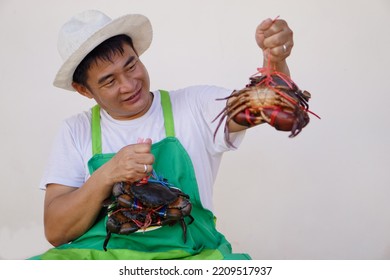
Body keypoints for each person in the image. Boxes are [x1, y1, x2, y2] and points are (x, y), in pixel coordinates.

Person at [30, 9, 294, 260]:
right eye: (109, 81)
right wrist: (107, 174)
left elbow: (273, 106)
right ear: (83, 90)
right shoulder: (76, 130)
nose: (129, 85)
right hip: (100, 258)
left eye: (131, 65)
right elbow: (56, 231)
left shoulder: (195, 106)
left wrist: (275, 60)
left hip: (192, 256)